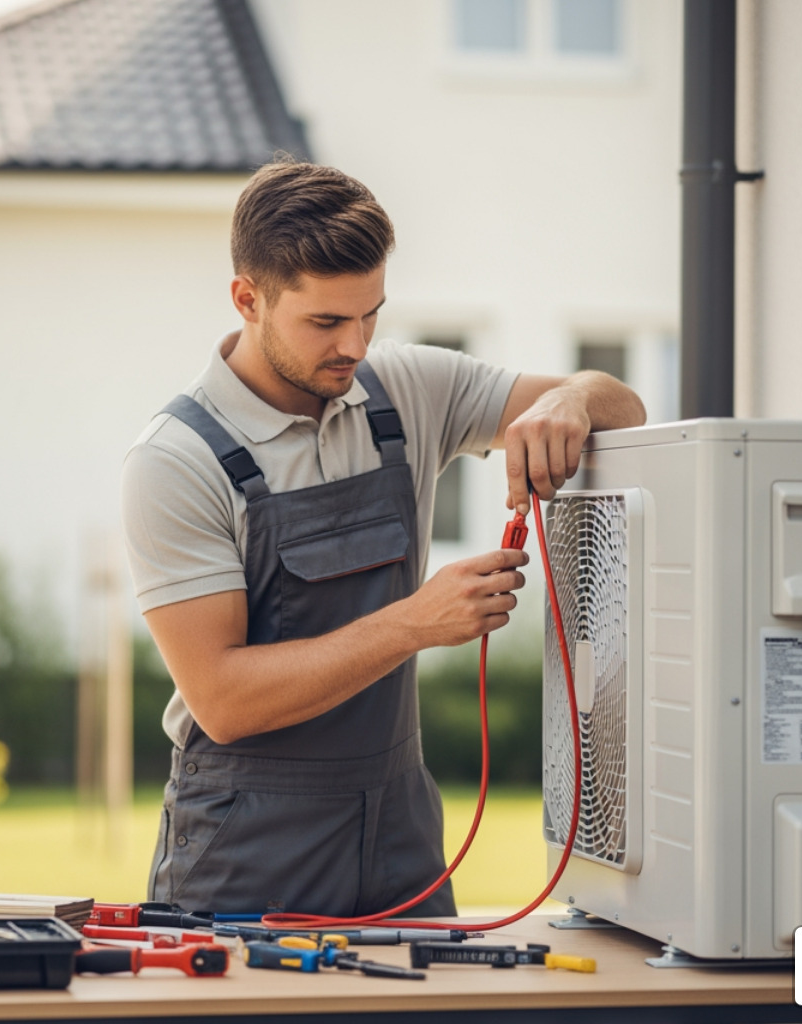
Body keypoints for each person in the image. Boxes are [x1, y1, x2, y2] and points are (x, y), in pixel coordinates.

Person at [120, 160, 646, 917]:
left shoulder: (405, 389)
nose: (357, 346)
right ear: (248, 299)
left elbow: (624, 407)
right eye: (327, 322)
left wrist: (569, 399)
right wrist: (415, 623)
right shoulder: (176, 461)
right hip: (245, 851)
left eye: (371, 315)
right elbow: (224, 700)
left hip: (401, 837)